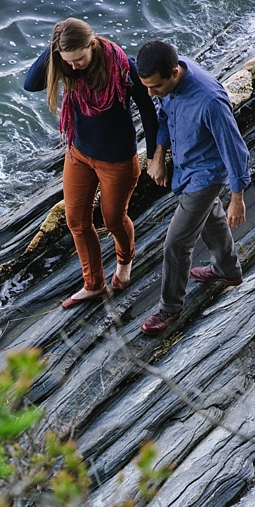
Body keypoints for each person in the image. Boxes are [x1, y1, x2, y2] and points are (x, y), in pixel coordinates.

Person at [24, 18, 158, 309]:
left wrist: (155, 156)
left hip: (117, 160)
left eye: (80, 58)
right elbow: (30, 84)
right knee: (77, 222)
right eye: (67, 61)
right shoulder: (65, 62)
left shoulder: (122, 66)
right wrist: (54, 48)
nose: (74, 67)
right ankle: (94, 284)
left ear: (93, 44)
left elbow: (148, 111)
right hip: (79, 154)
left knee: (113, 220)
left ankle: (125, 260)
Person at [136, 40, 250, 335]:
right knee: (210, 215)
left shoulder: (210, 101)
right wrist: (158, 156)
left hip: (206, 175)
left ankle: (169, 308)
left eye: (155, 87)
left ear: (174, 73)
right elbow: (163, 115)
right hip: (186, 167)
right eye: (146, 86)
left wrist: (237, 198)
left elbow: (235, 149)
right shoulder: (168, 76)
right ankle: (228, 270)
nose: (150, 93)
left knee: (176, 243)